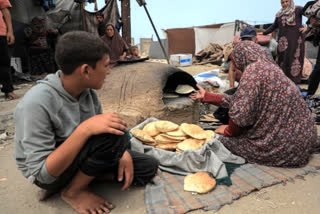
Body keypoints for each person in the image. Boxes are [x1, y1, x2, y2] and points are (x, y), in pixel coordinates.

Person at [14, 31, 158, 214]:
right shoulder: (36, 104)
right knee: (112, 137)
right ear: (86, 70)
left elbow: (103, 136)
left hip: (79, 156)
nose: (109, 71)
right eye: (105, 65)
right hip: (50, 172)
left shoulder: (88, 92)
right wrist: (85, 130)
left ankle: (83, 177)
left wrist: (121, 153)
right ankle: (73, 191)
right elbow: (42, 173)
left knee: (147, 167)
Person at [190, 40, 317, 167]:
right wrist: (207, 96)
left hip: (286, 150)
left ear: (241, 57)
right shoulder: (272, 68)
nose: (233, 65)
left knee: (217, 141)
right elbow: (238, 101)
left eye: (233, 60)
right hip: (304, 140)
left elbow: (240, 116)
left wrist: (227, 131)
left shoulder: (252, 72)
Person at [263, 0, 305, 84]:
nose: (285, 4)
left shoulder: (298, 9)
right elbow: (273, 26)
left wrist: (308, 26)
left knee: (294, 60)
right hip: (283, 44)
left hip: (296, 42)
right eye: (282, 2)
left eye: (287, 1)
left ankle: (294, 82)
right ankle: (283, 81)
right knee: (283, 60)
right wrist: (263, 33)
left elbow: (312, 14)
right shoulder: (279, 14)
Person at [0, 0, 18, 99]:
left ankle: (8, 90)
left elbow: (5, 10)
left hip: (0, 32)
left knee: (4, 63)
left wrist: (10, 31)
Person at [303, 1, 320, 96]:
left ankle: (310, 93)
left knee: (318, 68)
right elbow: (305, 12)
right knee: (318, 68)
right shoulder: (314, 5)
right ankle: (310, 93)